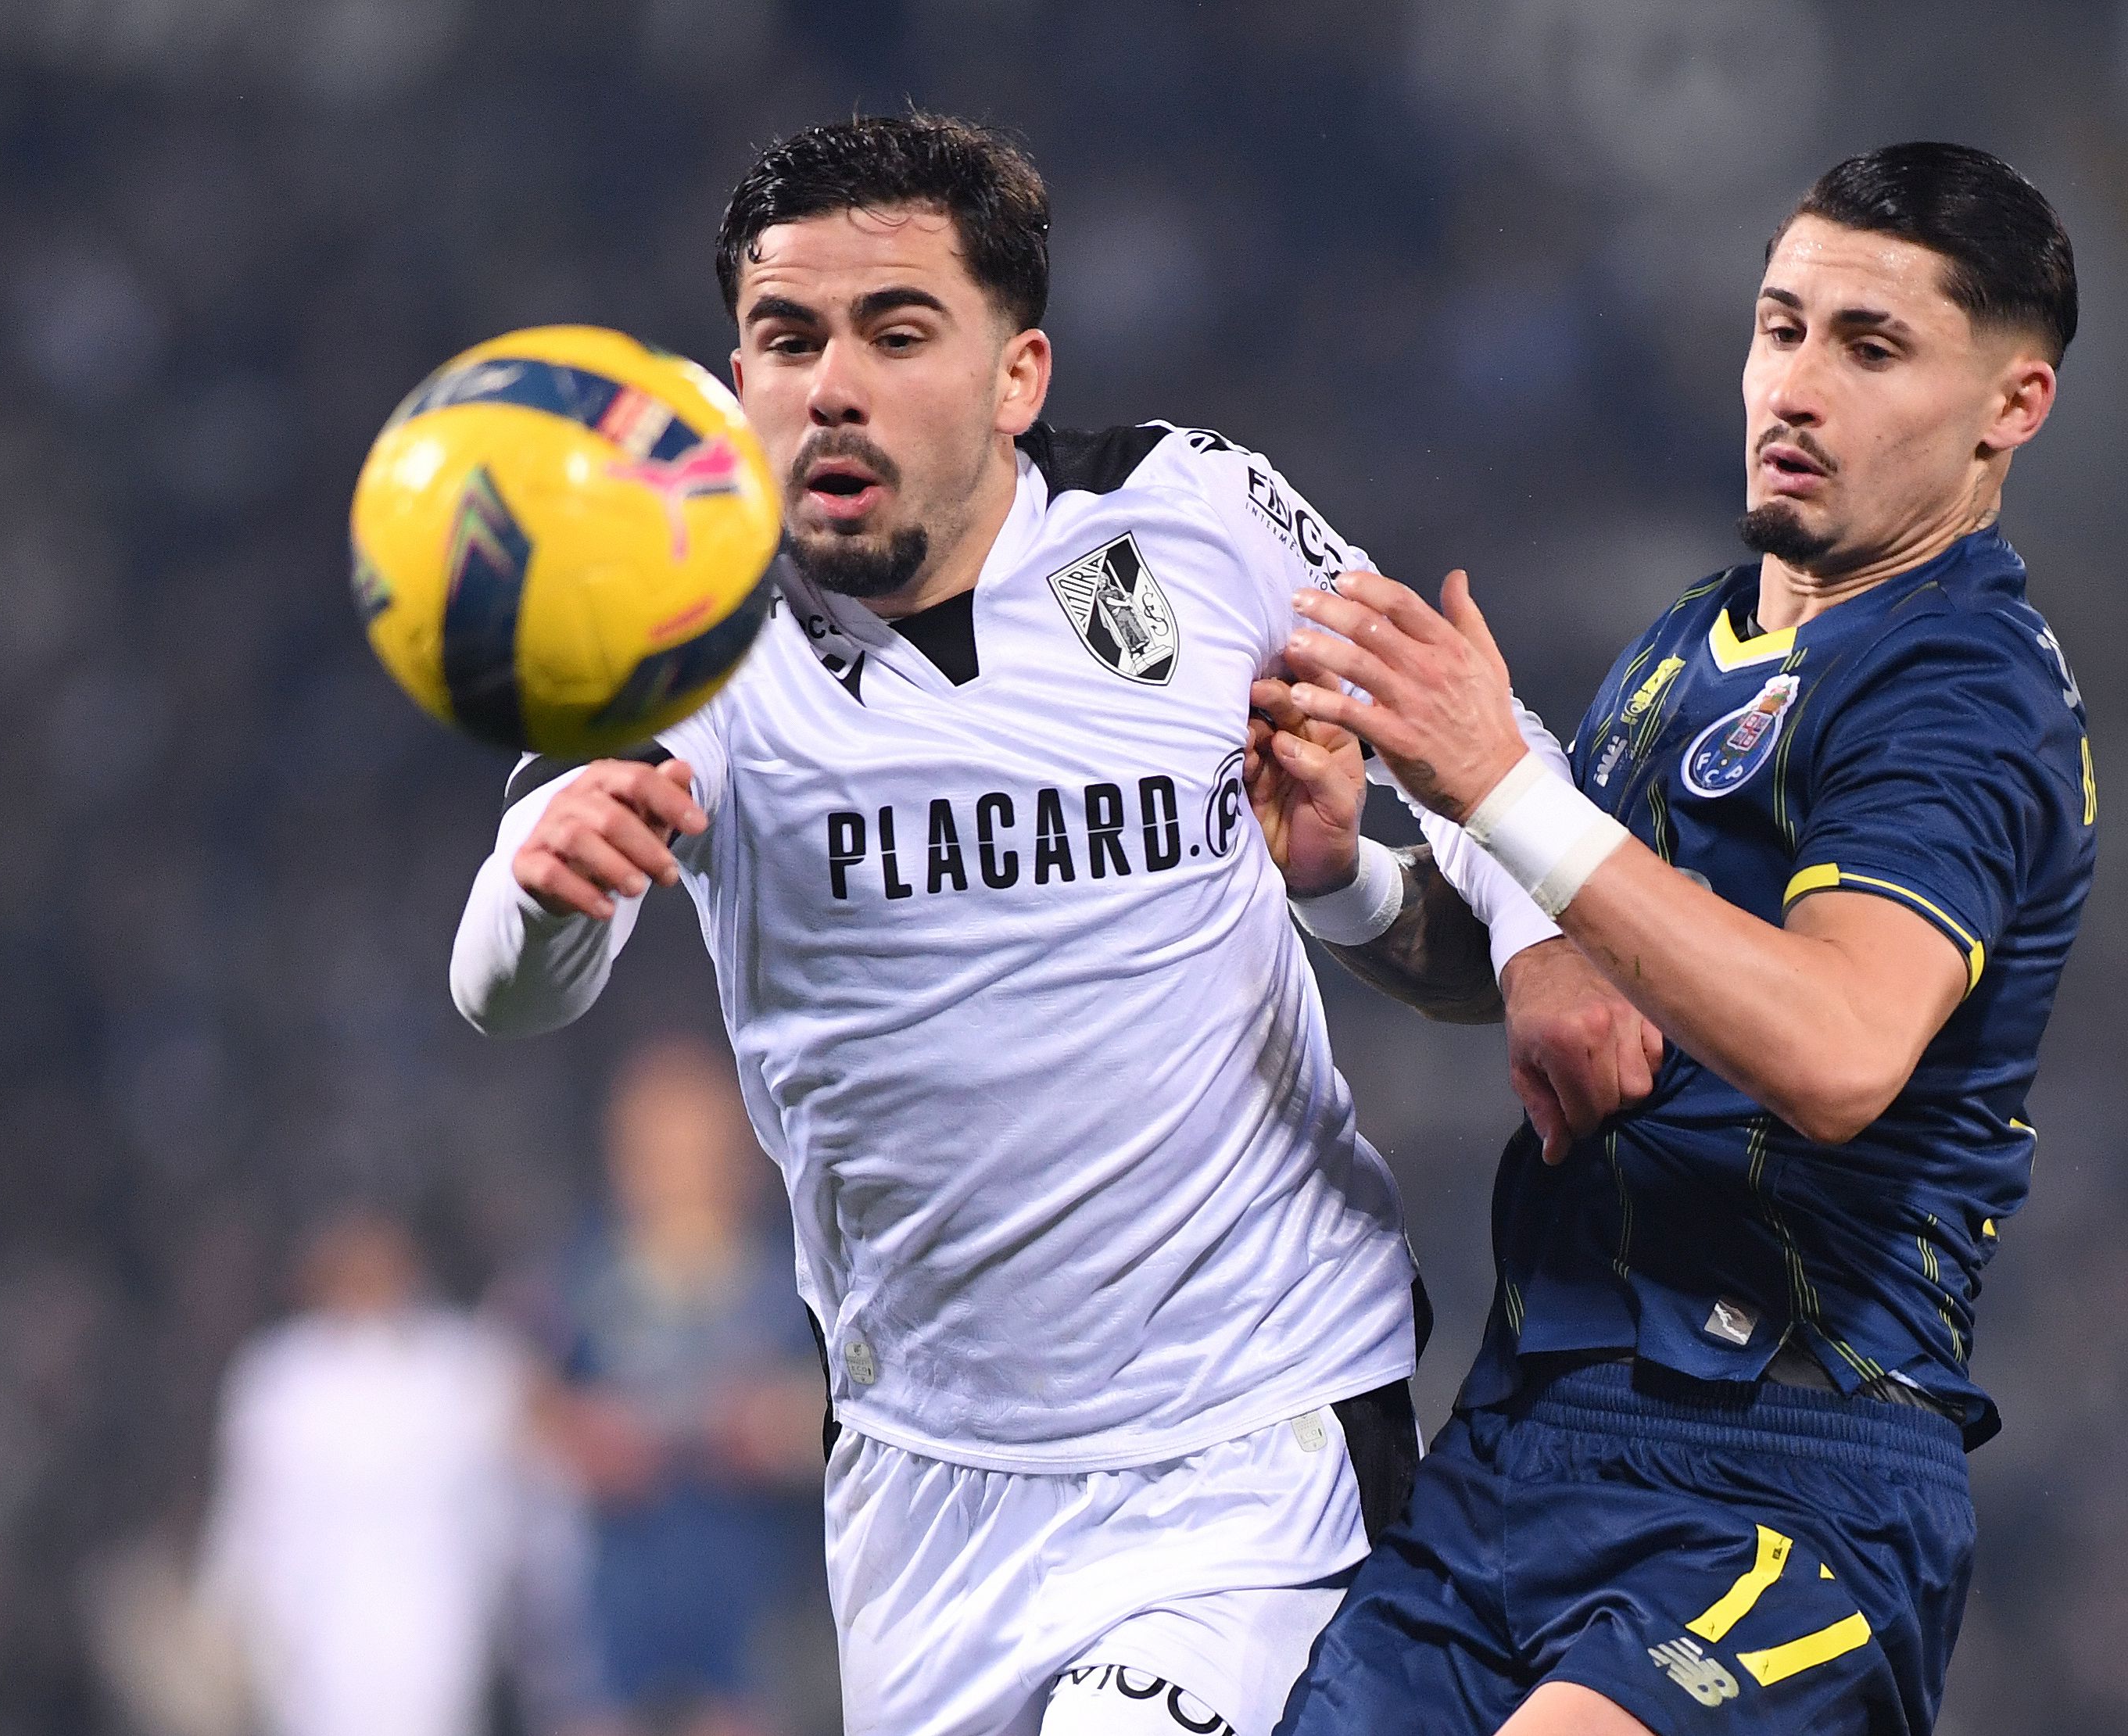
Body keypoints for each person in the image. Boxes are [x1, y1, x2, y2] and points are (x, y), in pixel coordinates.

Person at [450, 113, 1436, 1736]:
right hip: (926, 1486)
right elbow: (503, 988)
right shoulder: (679, 626)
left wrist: (1529, 949)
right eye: (787, 338)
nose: (831, 383)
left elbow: (1476, 761)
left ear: (1015, 375)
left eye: (895, 332)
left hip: (1249, 1442)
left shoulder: (1186, 519)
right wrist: (549, 885)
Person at [1250, 143, 2096, 1735]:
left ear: (2011, 406)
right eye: (1780, 328)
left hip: (1786, 1462)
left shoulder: (1962, 690)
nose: (1796, 386)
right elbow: (1590, 988)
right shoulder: (1684, 645)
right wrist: (1341, 880)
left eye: (1871, 349)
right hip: (1519, 1438)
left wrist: (1503, 782)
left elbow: (1840, 1051)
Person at [510, 1033, 825, 1736]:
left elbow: (851, 1410)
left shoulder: (792, 1276)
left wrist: (776, 1428)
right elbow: (522, 1404)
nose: (680, 1172)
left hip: (750, 1596)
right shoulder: (581, 1271)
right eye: (658, 1150)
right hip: (614, 1599)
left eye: (698, 1150)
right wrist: (579, 1436)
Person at [199, 1211, 593, 1736]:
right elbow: (249, 1513)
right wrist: (226, 1612)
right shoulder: (277, 1377)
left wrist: (542, 1617)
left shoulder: (467, 1364)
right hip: (314, 1640)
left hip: (438, 1631)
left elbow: (537, 1506)